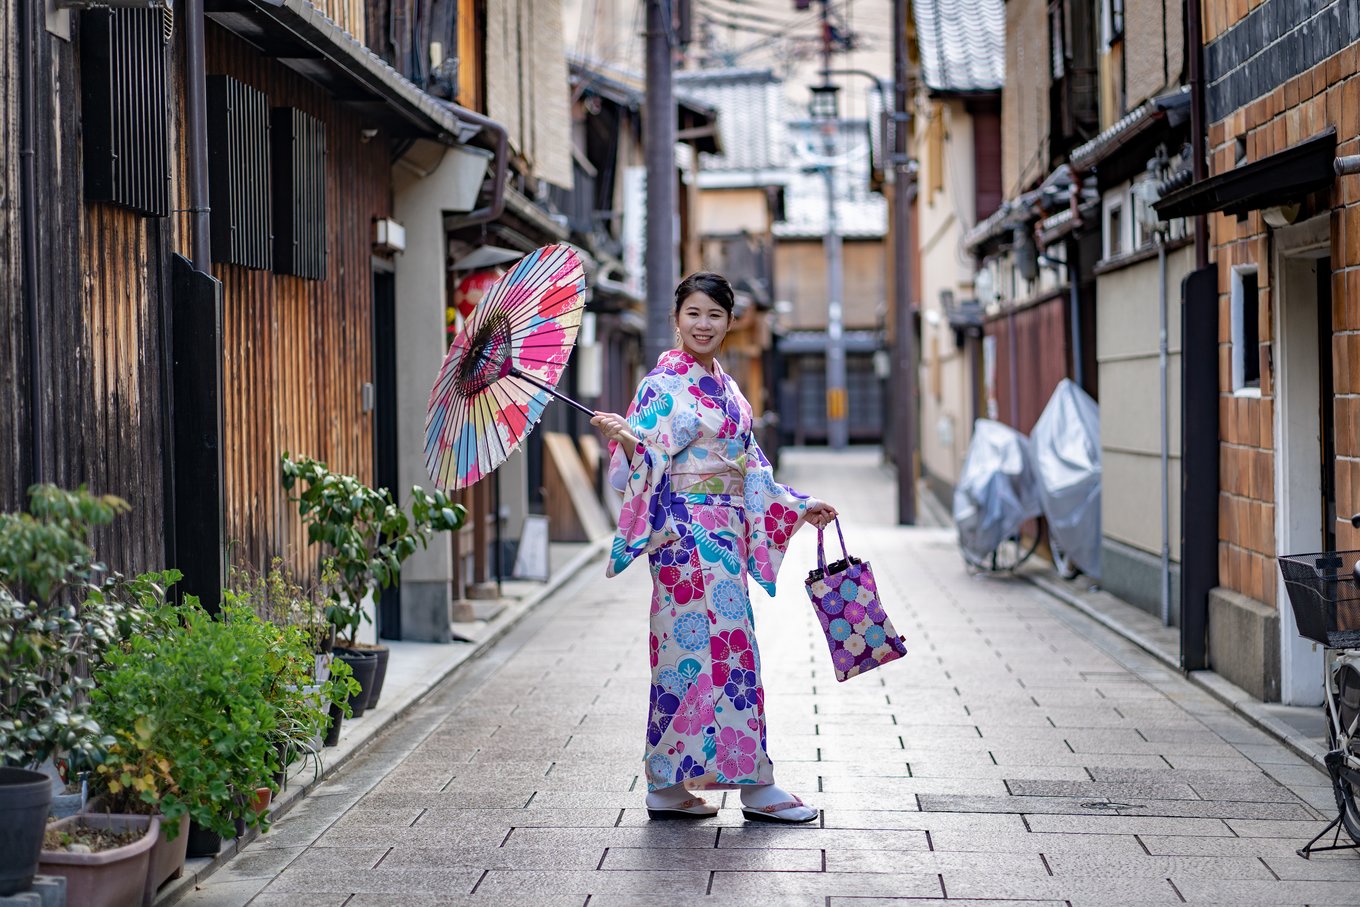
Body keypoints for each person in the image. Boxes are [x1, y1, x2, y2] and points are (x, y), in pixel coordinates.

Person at [591, 272, 838, 823]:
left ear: (730, 322)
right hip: (683, 539)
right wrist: (631, 443)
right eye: (694, 313)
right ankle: (744, 785)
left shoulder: (727, 388)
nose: (704, 325)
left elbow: (751, 469)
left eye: (715, 315)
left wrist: (797, 506)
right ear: (677, 318)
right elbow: (637, 469)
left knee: (720, 654)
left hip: (721, 537)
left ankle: (673, 785)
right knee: (697, 658)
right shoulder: (661, 386)